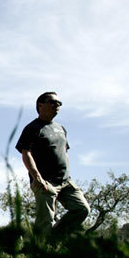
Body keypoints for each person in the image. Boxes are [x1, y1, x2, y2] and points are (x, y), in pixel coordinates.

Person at [15, 92, 90, 239]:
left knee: (82, 209)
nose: (58, 105)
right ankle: (40, 254)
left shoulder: (61, 128)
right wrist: (37, 178)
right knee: (45, 222)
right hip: (45, 182)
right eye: (53, 102)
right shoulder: (32, 128)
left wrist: (68, 175)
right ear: (40, 105)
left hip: (66, 181)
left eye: (59, 103)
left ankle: (54, 237)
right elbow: (26, 153)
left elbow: (65, 152)